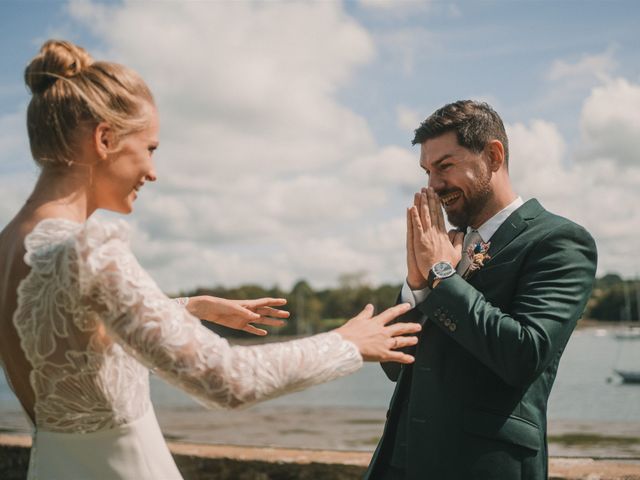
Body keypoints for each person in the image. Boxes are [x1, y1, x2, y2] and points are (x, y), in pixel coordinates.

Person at [0, 40, 422, 480]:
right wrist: (347, 343)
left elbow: (78, 332)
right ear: (105, 139)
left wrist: (190, 307)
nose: (153, 172)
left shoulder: (8, 246)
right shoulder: (87, 251)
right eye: (150, 149)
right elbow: (229, 380)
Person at [365, 100, 597, 480]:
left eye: (445, 167)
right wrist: (417, 284)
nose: (434, 185)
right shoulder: (443, 244)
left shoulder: (559, 241)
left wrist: (442, 274)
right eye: (427, 171)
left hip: (485, 467)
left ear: (493, 155)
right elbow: (394, 365)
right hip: (397, 464)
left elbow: (523, 353)